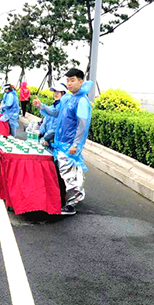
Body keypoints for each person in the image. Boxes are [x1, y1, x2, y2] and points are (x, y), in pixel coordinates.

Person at [32, 68, 92, 215]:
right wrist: (41, 106)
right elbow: (55, 113)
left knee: (70, 173)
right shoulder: (67, 99)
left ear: (80, 81)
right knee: (64, 172)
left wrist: (76, 144)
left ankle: (72, 205)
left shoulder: (82, 101)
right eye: (68, 80)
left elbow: (82, 125)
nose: (70, 83)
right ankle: (67, 199)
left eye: (72, 80)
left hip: (70, 145)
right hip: (60, 143)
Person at [39, 83, 68, 150]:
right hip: (46, 141)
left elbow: (55, 129)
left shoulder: (63, 109)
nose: (56, 94)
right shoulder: (52, 107)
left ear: (63, 94)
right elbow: (45, 122)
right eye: (55, 92)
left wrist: (45, 138)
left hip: (55, 143)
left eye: (58, 92)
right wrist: (40, 132)